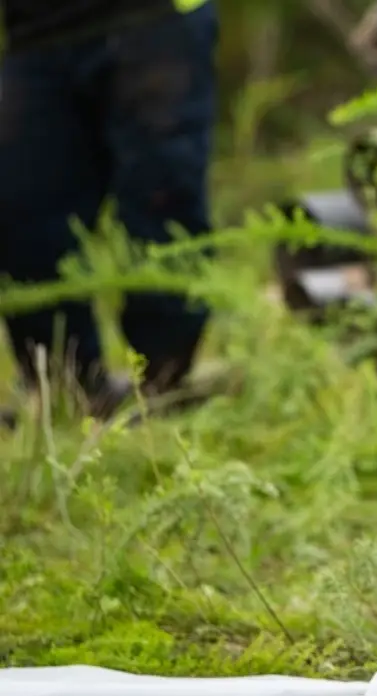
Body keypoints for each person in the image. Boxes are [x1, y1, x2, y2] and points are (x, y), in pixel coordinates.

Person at [0, 0, 218, 416]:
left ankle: (163, 383)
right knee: (20, 206)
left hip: (158, 16)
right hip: (35, 31)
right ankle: (66, 387)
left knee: (161, 197)